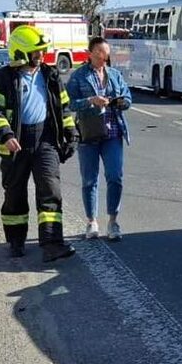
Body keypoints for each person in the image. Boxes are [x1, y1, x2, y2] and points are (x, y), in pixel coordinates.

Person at [0, 25, 77, 262]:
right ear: (20, 52)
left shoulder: (51, 75)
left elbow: (63, 107)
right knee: (15, 194)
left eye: (42, 51)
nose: (41, 55)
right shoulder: (4, 77)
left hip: (45, 140)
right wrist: (6, 135)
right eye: (36, 51)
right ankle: (16, 241)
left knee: (50, 190)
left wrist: (70, 132)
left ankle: (52, 244)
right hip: (15, 143)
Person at [65, 36, 132, 241]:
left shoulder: (114, 75)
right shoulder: (79, 76)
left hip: (113, 133)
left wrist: (121, 102)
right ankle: (91, 221)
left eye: (106, 53)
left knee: (115, 176)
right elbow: (69, 103)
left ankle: (113, 221)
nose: (104, 57)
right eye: (100, 53)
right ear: (90, 54)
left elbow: (128, 98)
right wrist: (90, 101)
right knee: (89, 179)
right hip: (89, 133)